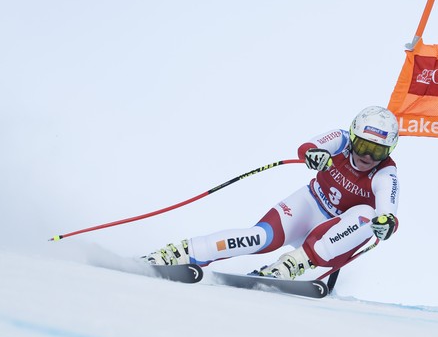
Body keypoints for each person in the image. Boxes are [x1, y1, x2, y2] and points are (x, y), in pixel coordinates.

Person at [145, 106, 400, 280]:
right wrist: (314, 153)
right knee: (259, 238)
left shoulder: (386, 173)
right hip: (308, 205)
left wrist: (386, 225)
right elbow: (310, 146)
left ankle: (291, 264)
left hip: (334, 236)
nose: (368, 156)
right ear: (354, 137)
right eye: (364, 145)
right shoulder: (342, 139)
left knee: (369, 215)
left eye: (378, 151)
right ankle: (183, 252)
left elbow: (389, 214)